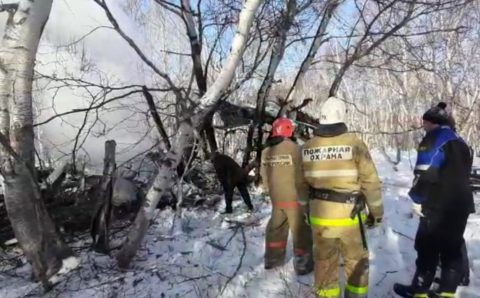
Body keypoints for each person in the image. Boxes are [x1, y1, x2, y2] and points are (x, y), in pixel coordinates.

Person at [302, 97, 383, 298]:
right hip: (350, 218)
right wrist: (377, 212)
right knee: (356, 262)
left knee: (324, 262)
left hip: (320, 218)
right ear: (342, 116)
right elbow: (370, 182)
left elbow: (300, 185)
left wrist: (305, 210)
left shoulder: (307, 147)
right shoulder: (355, 144)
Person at [393, 102, 475, 297]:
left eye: (425, 123)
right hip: (461, 204)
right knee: (452, 249)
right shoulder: (462, 142)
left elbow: (425, 173)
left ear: (432, 123)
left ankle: (419, 290)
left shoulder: (434, 138)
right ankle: (447, 293)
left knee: (426, 247)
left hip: (437, 204)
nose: (424, 127)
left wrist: (417, 198)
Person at [259, 117, 313, 275]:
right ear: (289, 130)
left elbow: (264, 177)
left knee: (275, 230)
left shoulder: (266, 151)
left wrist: (272, 193)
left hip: (277, 200)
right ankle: (303, 264)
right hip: (294, 200)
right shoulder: (294, 148)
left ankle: (272, 259)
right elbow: (302, 175)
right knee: (301, 232)